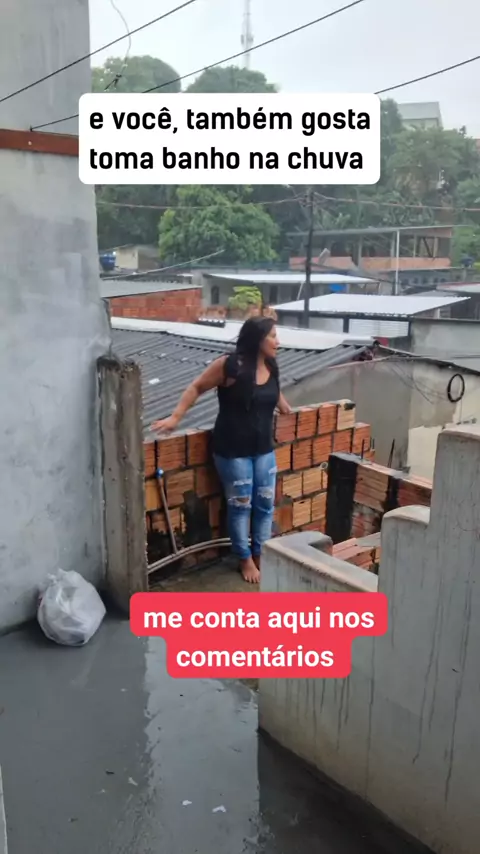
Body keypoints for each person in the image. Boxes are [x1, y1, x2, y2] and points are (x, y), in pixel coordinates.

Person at [152, 316, 292, 583]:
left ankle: (260, 554)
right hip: (233, 451)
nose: (278, 342)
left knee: (265, 505)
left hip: (264, 449)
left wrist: (284, 406)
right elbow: (197, 386)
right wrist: (175, 417)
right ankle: (245, 559)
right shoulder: (230, 366)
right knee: (241, 507)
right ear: (258, 339)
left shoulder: (271, 365)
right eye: (273, 336)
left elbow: (273, 390)